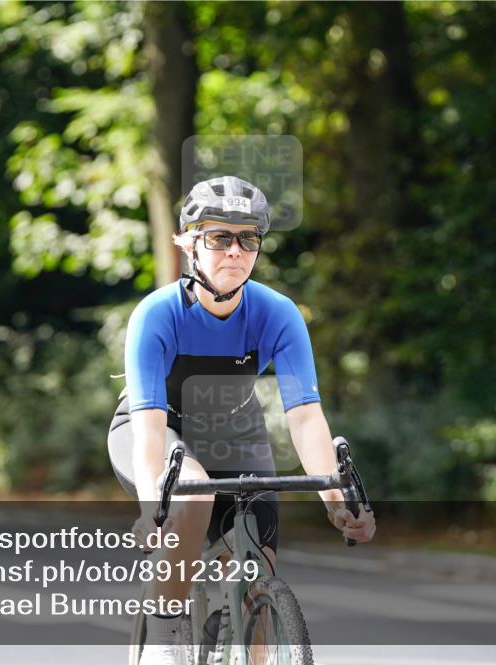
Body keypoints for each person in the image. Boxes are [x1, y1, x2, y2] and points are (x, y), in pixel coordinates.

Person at [108, 176, 376, 664]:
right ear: (189, 243)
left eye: (248, 238)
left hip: (233, 431)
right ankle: (167, 633)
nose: (235, 250)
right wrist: (154, 509)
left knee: (256, 574)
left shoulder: (277, 313)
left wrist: (338, 503)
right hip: (154, 428)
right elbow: (149, 431)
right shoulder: (157, 314)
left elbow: (306, 417)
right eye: (219, 237)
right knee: (195, 495)